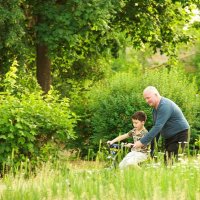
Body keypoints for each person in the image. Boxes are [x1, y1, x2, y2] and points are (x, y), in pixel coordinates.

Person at [133, 86, 189, 164]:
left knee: (171, 162)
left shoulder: (164, 106)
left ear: (156, 95)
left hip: (179, 135)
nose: (146, 101)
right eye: (145, 98)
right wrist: (151, 150)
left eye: (148, 98)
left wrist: (142, 142)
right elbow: (157, 131)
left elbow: (157, 127)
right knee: (167, 161)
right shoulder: (155, 110)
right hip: (169, 137)